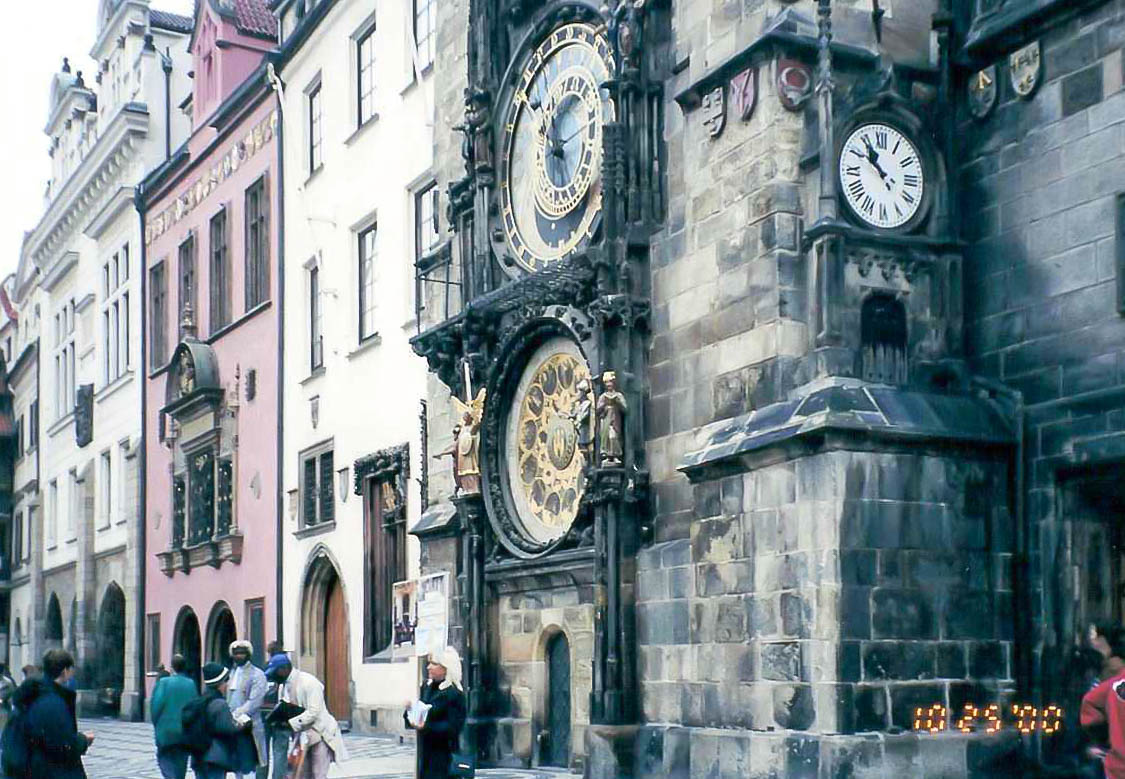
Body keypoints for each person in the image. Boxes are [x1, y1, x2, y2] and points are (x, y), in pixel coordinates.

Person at [264, 653, 347, 779]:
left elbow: (314, 712)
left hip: (321, 733)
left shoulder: (309, 682)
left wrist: (291, 723)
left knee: (318, 773)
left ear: (284, 669)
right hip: (302, 735)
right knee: (302, 774)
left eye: (275, 672)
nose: (274, 676)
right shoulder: (283, 686)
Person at [15, 649, 95, 779]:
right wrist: (84, 740)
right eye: (71, 669)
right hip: (52, 771)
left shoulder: (35, 694)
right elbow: (62, 745)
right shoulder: (53, 702)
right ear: (65, 671)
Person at [403, 648, 466, 779]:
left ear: (446, 668)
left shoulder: (454, 694)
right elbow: (420, 713)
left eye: (434, 664)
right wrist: (409, 711)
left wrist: (426, 727)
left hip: (444, 755)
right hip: (425, 754)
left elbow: (453, 728)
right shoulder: (427, 688)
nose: (428, 667)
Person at [190, 662, 254, 779]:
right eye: (225, 681)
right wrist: (242, 725)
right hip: (215, 757)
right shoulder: (219, 704)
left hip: (199, 754)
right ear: (219, 683)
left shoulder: (201, 701)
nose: (227, 685)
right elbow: (227, 728)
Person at [151, 654, 198, 779]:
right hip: (184, 732)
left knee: (165, 761)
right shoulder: (191, 684)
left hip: (166, 732)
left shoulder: (164, 683)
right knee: (181, 763)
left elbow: (156, 706)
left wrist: (157, 724)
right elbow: (195, 708)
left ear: (172, 667)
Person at [227, 640, 268, 778]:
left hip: (251, 725)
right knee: (236, 762)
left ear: (248, 654)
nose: (239, 656)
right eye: (236, 653)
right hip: (233, 725)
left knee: (251, 762)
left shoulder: (257, 674)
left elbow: (255, 701)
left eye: (242, 653)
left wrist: (238, 714)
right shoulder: (231, 674)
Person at [258, 642, 290, 779]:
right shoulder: (287, 670)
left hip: (263, 715)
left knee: (262, 753)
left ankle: (260, 777)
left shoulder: (264, 669)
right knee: (280, 752)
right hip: (281, 715)